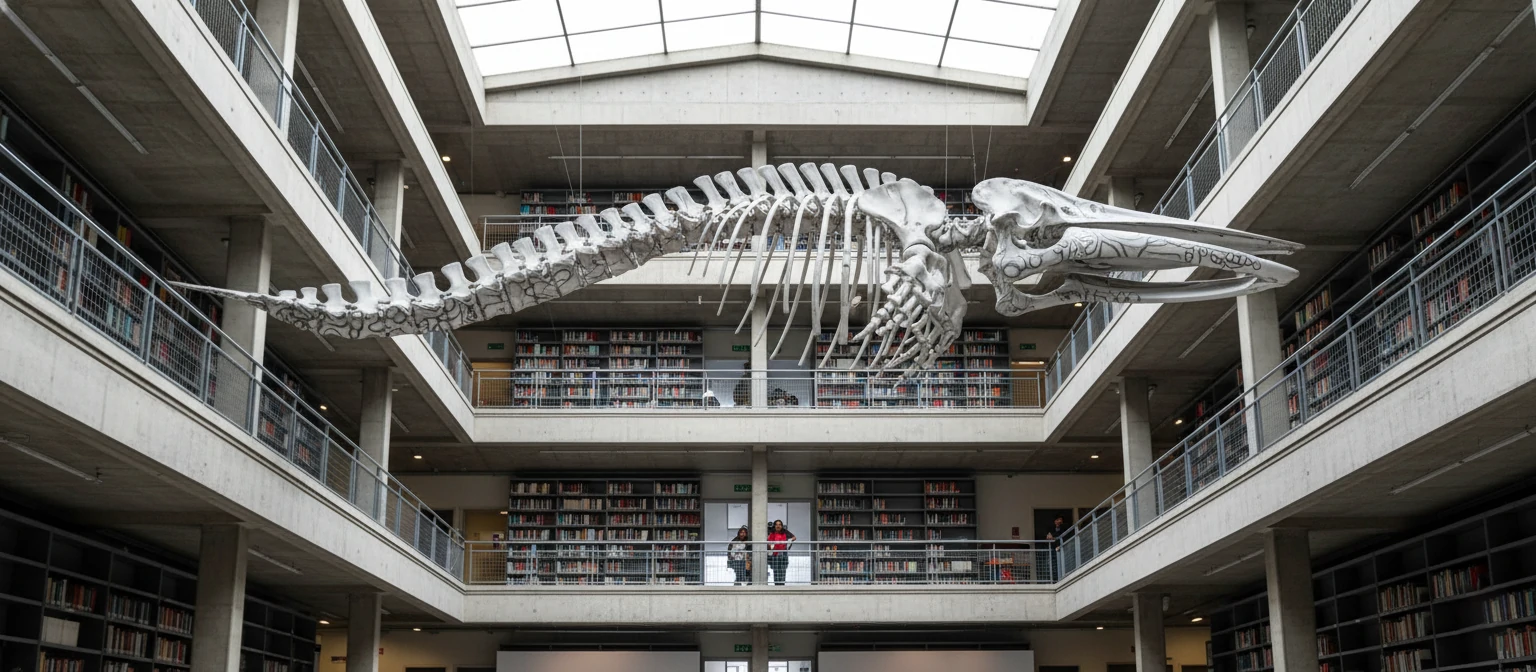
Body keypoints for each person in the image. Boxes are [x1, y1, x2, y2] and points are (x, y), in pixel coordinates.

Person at [767, 519, 795, 585]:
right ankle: (776, 586)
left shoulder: (785, 532)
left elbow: (794, 537)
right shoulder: (772, 533)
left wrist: (788, 541)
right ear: (774, 526)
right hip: (775, 554)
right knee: (776, 571)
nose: (778, 526)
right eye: (776, 524)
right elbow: (768, 542)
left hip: (783, 554)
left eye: (779, 524)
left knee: (782, 571)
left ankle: (782, 586)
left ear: (782, 526)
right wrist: (771, 546)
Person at [1043, 514, 1072, 580]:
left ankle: (1062, 577)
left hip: (1062, 548)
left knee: (1062, 563)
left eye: (1060, 520)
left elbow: (1064, 535)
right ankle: (1054, 579)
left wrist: (1053, 537)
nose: (1059, 521)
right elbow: (1047, 536)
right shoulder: (1051, 528)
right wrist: (1049, 536)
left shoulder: (1064, 527)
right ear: (1055, 521)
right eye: (1057, 520)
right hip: (1053, 549)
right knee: (1053, 565)